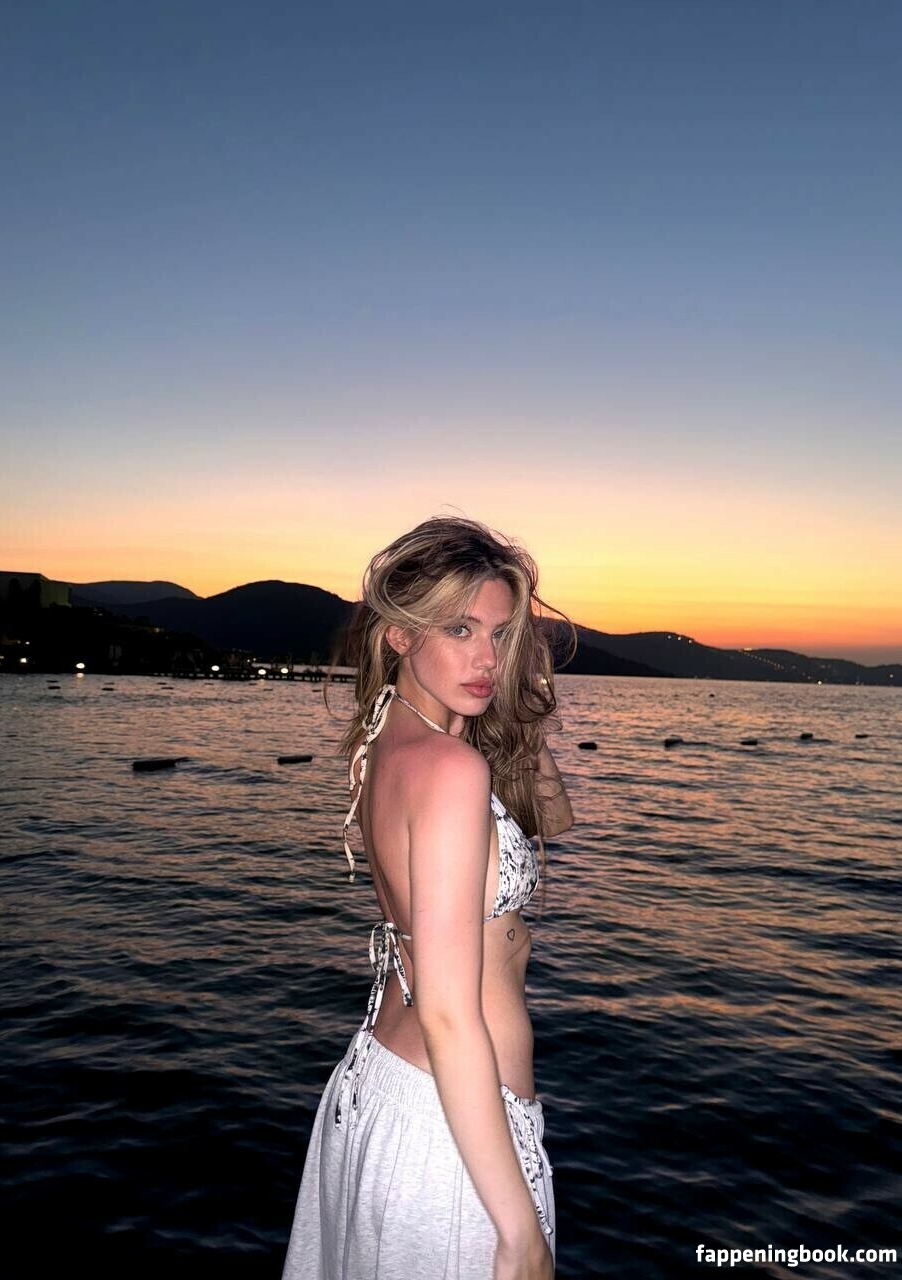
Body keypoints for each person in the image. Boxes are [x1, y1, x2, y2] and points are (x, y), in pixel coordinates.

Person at [281, 515, 577, 1280]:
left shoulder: (393, 740)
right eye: (460, 629)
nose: (487, 658)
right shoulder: (449, 769)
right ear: (400, 635)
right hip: (450, 1123)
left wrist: (522, 708)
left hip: (395, 1085)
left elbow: (554, 819)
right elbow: (448, 1012)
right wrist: (518, 1230)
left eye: (502, 636)